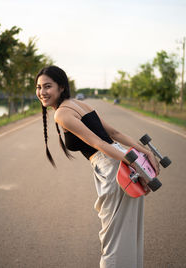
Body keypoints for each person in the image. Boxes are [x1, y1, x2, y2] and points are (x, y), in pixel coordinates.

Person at [35, 65, 159, 268]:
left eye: (47, 86)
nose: (42, 92)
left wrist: (138, 160)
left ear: (61, 88)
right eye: (39, 87)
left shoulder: (62, 114)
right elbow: (115, 135)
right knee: (127, 230)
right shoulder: (79, 104)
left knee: (112, 238)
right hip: (121, 160)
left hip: (113, 168)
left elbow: (99, 143)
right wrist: (143, 153)